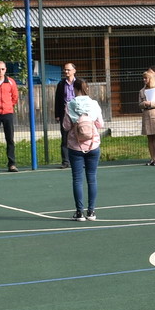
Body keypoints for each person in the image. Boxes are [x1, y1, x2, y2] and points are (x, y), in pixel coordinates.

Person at [63, 83, 105, 220]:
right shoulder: (94, 104)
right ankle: (91, 212)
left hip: (75, 146)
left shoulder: (70, 105)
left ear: (75, 89)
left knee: (77, 179)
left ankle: (79, 212)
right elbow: (100, 124)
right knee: (92, 178)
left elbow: (66, 126)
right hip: (93, 145)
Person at [52, 62, 79, 169]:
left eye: (68, 70)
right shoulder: (61, 84)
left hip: (77, 113)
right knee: (65, 137)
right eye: (65, 70)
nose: (66, 72)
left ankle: (79, 161)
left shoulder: (79, 83)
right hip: (65, 113)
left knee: (79, 135)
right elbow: (57, 100)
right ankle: (65, 161)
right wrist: (57, 114)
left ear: (74, 71)